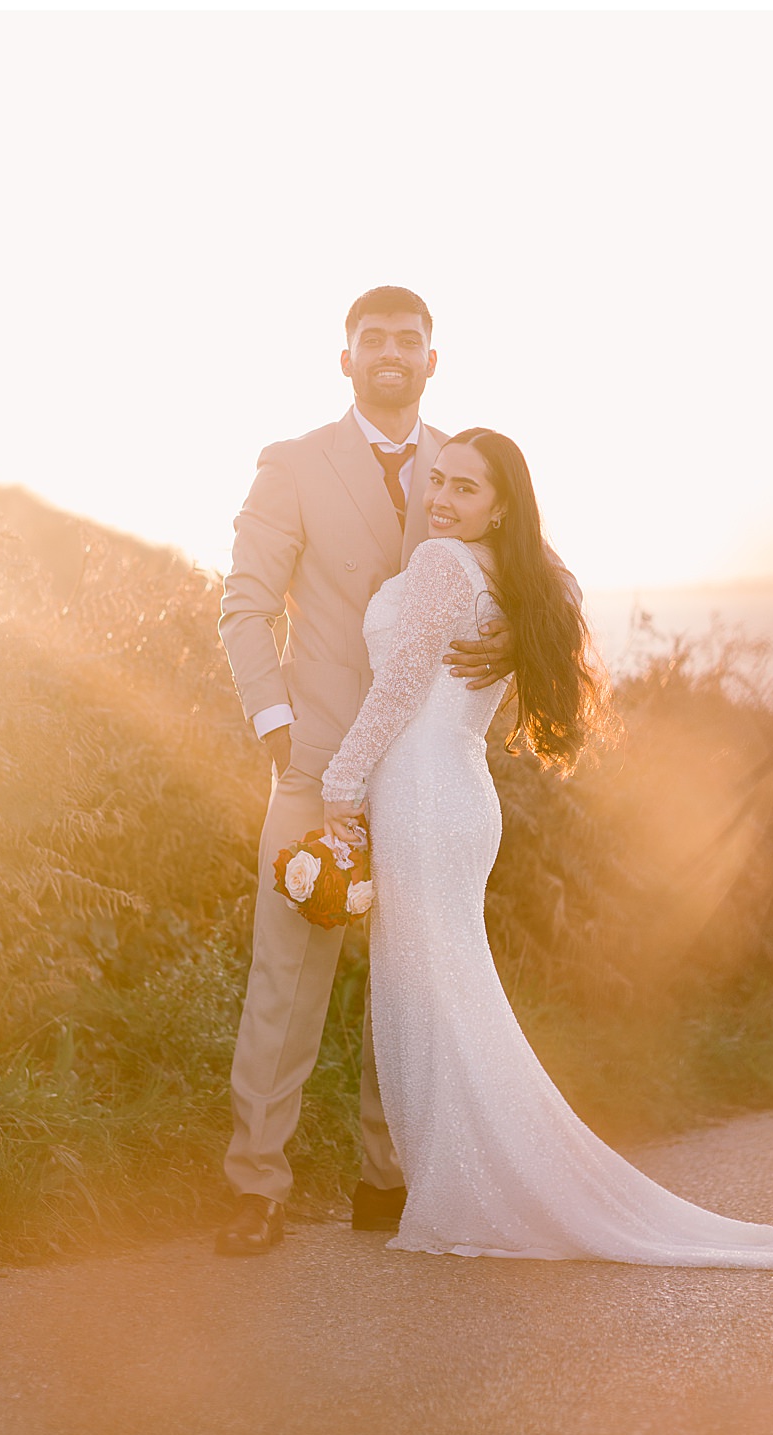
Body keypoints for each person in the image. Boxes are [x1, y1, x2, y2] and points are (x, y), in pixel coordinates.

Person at [318, 427, 773, 1268]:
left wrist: (340, 782)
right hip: (454, 793)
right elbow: (559, 586)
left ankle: (474, 1188)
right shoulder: (511, 571)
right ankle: (468, 1179)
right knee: (446, 995)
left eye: (464, 488)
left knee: (438, 995)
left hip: (423, 793)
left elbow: (400, 685)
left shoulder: (445, 562)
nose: (440, 499)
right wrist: (515, 631)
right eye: (437, 480)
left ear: (501, 507)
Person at [213, 286, 515, 1256]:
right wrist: (274, 724)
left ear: (432, 358)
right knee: (286, 979)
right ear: (345, 357)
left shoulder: (467, 464)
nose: (391, 351)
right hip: (317, 764)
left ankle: (387, 1180)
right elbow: (244, 604)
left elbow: (535, 576)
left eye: (408, 339)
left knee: (414, 977)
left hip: (422, 771)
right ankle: (256, 1184)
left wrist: (514, 639)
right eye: (372, 338)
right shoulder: (293, 464)